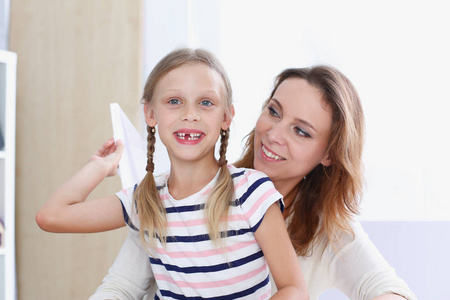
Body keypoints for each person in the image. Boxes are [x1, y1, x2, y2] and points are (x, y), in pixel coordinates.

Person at [90, 65, 417, 300]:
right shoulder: (178, 193)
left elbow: (386, 288)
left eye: (300, 131)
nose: (273, 135)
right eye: (274, 112)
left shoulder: (328, 231)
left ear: (329, 154)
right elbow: (120, 288)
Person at [36, 48, 308, 299]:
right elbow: (51, 216)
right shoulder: (146, 199)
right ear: (151, 114)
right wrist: (100, 166)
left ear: (226, 117)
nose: (190, 114)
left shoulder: (251, 191)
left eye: (205, 102)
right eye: (174, 101)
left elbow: (293, 289)